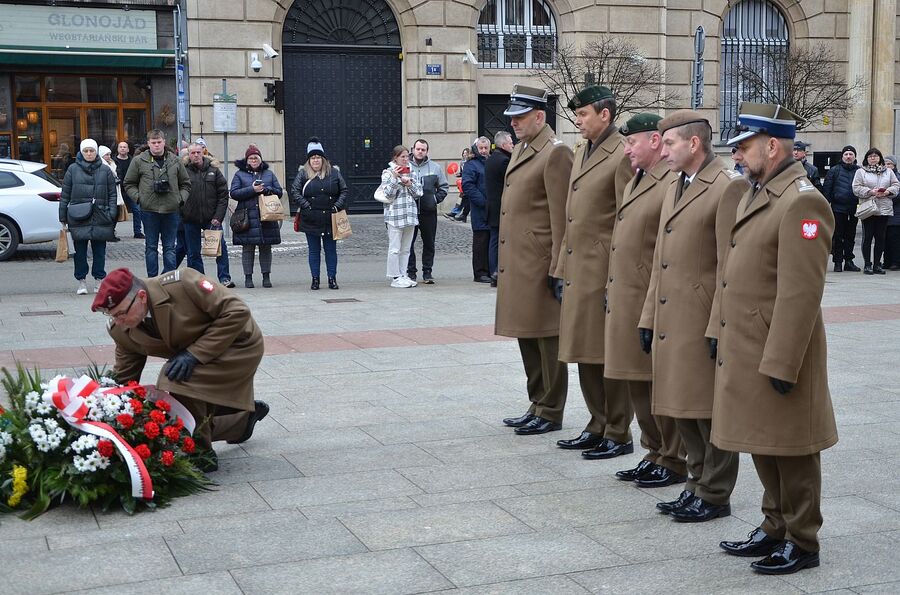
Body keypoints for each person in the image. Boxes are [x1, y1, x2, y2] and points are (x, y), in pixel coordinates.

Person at [717, 103, 837, 575]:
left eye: (744, 147)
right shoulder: (758, 191)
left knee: (792, 447)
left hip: (780, 348)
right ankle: (774, 525)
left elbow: (801, 291)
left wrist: (783, 361)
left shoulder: (802, 200)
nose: (739, 156)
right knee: (761, 439)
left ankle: (803, 539)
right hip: (749, 342)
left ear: (772, 145)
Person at [638, 110, 749, 522]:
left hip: (701, 317)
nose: (663, 150)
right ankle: (695, 482)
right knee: (680, 404)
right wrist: (648, 315)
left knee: (706, 407)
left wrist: (718, 322)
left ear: (694, 144)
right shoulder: (677, 184)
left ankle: (715, 493)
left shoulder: (725, 187)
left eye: (669, 143)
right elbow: (660, 259)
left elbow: (728, 266)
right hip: (671, 316)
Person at [91, 267, 270, 473]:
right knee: (173, 400)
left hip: (236, 344)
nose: (119, 322)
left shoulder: (182, 283)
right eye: (112, 316)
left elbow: (237, 312)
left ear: (141, 297)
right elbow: (124, 378)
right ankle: (241, 422)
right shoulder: (122, 330)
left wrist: (194, 354)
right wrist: (101, 404)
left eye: (121, 313)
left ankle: (201, 454)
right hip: (194, 357)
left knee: (175, 378)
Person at [550, 85, 635, 457]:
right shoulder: (584, 150)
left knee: (606, 353)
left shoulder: (621, 155)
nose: (577, 120)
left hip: (602, 270)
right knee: (584, 350)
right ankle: (596, 422)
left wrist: (615, 278)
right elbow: (572, 215)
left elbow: (625, 219)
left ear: (606, 114)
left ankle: (617, 430)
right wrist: (560, 266)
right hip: (577, 268)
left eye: (583, 114)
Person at [604, 113, 687, 487]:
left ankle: (672, 456)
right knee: (634, 378)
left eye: (631, 142)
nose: (626, 150)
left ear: (655, 141)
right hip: (626, 295)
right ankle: (653, 450)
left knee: (656, 382)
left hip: (649, 298)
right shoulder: (637, 178)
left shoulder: (669, 181)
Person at [496, 85, 574, 435]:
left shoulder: (555, 153)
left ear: (539, 117)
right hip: (520, 263)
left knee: (546, 337)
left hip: (541, 264)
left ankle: (551, 408)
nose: (513, 122)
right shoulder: (523, 149)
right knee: (526, 335)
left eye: (520, 117)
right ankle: (536, 402)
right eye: (512, 117)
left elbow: (562, 217)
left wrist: (558, 267)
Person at [123, 129, 191, 277]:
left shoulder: (175, 160)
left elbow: (186, 184)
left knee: (170, 247)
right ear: (148, 144)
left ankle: (169, 279)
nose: (156, 146)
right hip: (149, 210)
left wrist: (180, 199)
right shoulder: (139, 161)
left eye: (159, 142)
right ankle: (152, 280)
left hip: (171, 210)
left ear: (164, 142)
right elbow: (128, 183)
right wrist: (139, 198)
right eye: (153, 143)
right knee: (151, 247)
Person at [59, 139, 118, 295]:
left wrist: (112, 214)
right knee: (79, 252)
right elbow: (65, 194)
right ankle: (81, 281)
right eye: (86, 151)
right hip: (78, 216)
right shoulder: (72, 169)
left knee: (100, 251)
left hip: (101, 215)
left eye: (92, 150)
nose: (89, 153)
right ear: (81, 152)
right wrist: (63, 216)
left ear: (96, 151)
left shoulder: (105, 170)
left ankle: (99, 280)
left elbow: (113, 194)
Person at [290, 138, 348, 290]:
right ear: (309, 160)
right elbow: (295, 191)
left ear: (323, 159)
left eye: (318, 157)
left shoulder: (334, 173)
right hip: (311, 218)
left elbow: (343, 190)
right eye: (312, 158)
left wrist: (337, 206)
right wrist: (306, 205)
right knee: (314, 251)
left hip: (330, 217)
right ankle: (315, 279)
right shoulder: (303, 174)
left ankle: (332, 278)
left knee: (330, 250)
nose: (315, 160)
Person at [231, 145, 284, 288]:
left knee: (266, 247)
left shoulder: (269, 174)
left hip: (266, 216)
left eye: (256, 157)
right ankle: (248, 277)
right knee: (248, 248)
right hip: (247, 217)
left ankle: (266, 276)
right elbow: (234, 193)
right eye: (251, 158)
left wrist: (267, 189)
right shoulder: (239, 175)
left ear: (260, 159)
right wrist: (252, 189)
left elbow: (279, 192)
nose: (254, 160)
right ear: (247, 160)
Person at [182, 143, 234, 288]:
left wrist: (218, 217)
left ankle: (224, 278)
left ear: (203, 152)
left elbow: (223, 195)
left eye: (198, 152)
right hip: (190, 218)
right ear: (189, 155)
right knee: (193, 252)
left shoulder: (214, 171)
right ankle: (199, 281)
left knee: (220, 249)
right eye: (193, 153)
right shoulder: (183, 171)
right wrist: (182, 213)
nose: (196, 155)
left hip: (212, 219)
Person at [407, 138, 448, 283]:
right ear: (413, 149)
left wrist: (434, 200)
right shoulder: (406, 166)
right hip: (409, 212)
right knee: (408, 243)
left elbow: (444, 187)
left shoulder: (435, 167)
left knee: (429, 243)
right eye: (418, 149)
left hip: (428, 213)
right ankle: (411, 272)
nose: (420, 152)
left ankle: (427, 272)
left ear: (427, 151)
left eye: (423, 149)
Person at [380, 145, 422, 288]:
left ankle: (404, 274)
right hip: (395, 215)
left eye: (406, 156)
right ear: (395, 158)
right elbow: (387, 194)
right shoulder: (387, 173)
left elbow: (418, 193)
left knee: (406, 248)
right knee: (395, 248)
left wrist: (409, 183)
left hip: (409, 214)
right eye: (402, 157)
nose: (405, 159)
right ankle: (395, 276)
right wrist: (395, 179)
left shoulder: (412, 172)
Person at [852, 147, 898, 274]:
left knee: (880, 237)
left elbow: (896, 185)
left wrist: (888, 191)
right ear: (867, 159)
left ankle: (877, 264)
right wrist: (870, 192)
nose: (873, 158)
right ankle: (867, 264)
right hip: (868, 207)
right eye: (870, 156)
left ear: (880, 158)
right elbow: (856, 188)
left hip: (884, 207)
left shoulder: (888, 172)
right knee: (867, 237)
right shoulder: (861, 172)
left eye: (875, 156)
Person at [822, 146, 862, 272]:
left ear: (855, 156)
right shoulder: (834, 170)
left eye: (851, 154)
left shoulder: (860, 171)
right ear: (842, 156)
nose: (848, 156)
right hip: (838, 208)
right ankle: (838, 262)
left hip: (854, 208)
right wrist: (825, 206)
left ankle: (849, 261)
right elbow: (827, 189)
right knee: (838, 235)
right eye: (846, 154)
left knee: (851, 235)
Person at [462, 136, 493, 283]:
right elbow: (468, 186)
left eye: (486, 148)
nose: (483, 151)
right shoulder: (471, 165)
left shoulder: (490, 162)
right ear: (476, 148)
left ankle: (490, 270)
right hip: (480, 209)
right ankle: (480, 272)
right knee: (481, 241)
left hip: (492, 208)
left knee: (491, 240)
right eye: (481, 148)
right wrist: (483, 202)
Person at [485, 131, 513, 286]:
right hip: (500, 207)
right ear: (503, 145)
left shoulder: (491, 159)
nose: (513, 145)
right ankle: (496, 272)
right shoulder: (503, 161)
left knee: (494, 240)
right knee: (497, 241)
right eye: (510, 143)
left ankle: (494, 272)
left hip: (493, 206)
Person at [98, 145, 125, 230]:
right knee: (109, 213)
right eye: (107, 155)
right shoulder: (101, 165)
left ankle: (112, 230)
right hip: (106, 192)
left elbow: (118, 173)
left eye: (109, 154)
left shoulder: (113, 164)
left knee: (116, 212)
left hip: (116, 190)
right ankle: (109, 231)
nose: (109, 157)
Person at [884, 155, 900, 270]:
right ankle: (886, 261)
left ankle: (895, 261)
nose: (887, 166)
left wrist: (885, 197)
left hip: (896, 213)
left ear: (894, 166)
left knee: (894, 238)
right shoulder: (883, 177)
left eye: (889, 164)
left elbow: (897, 196)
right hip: (884, 212)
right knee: (884, 238)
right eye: (885, 164)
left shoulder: (897, 178)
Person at [446, 147, 471, 221]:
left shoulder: (470, 162)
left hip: (468, 183)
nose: (464, 155)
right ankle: (460, 214)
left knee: (465, 199)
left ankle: (460, 214)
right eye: (464, 153)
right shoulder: (462, 162)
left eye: (466, 153)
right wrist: (458, 174)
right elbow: (462, 172)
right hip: (463, 183)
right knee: (463, 199)